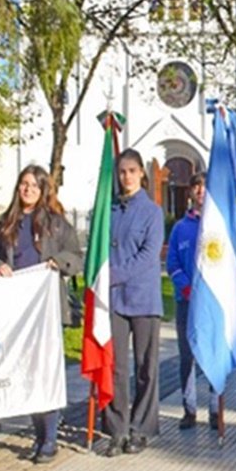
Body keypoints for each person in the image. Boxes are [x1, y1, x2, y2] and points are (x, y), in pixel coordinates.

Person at [0, 165, 82, 461]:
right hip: (17, 308)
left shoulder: (55, 223)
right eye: (24, 184)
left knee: (47, 372)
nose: (28, 189)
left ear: (43, 190)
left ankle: (50, 438)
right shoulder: (5, 223)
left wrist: (59, 262)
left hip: (45, 307)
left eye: (33, 185)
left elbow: (75, 258)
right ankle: (38, 432)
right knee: (26, 374)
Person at [103, 149, 165, 455]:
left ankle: (141, 428)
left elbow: (148, 255)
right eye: (122, 171)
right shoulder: (109, 209)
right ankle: (117, 428)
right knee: (114, 366)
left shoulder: (152, 212)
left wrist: (114, 274)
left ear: (142, 173)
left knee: (146, 367)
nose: (126, 177)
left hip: (142, 297)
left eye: (131, 171)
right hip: (114, 299)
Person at [164, 173, 218, 429]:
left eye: (205, 187)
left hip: (211, 303)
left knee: (212, 355)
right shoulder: (180, 228)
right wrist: (185, 287)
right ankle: (189, 409)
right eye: (196, 186)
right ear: (190, 192)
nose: (200, 191)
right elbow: (172, 262)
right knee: (188, 356)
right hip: (187, 301)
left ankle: (216, 408)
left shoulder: (218, 225)